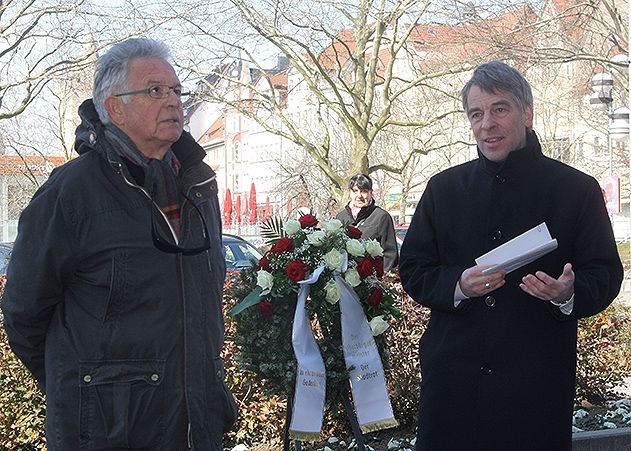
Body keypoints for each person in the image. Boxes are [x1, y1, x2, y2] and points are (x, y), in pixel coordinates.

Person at [1, 38, 237, 450]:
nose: (173, 101)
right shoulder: (72, 192)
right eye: (154, 90)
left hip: (196, 424)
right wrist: (86, 386)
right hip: (106, 431)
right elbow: (25, 313)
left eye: (176, 90)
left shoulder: (199, 187)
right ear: (114, 108)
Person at [399, 61, 623, 451]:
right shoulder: (443, 189)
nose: (487, 123)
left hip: (533, 386)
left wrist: (567, 293)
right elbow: (414, 269)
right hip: (454, 385)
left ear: (527, 113)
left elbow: (605, 272)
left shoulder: (576, 190)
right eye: (476, 113)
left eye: (499, 109)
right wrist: (458, 284)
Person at [336, 173, 399, 272]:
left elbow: (390, 255)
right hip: (344, 279)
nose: (359, 196)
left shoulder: (381, 217)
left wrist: (381, 279)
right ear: (349, 192)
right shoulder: (340, 217)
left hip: (371, 279)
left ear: (371, 192)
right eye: (355, 191)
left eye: (364, 191)